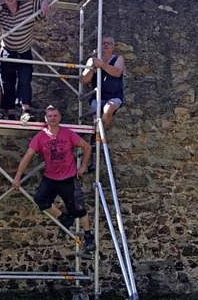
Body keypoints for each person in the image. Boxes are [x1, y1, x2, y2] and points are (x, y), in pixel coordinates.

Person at [12, 105, 95, 254]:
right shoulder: (40, 137)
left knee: (79, 209)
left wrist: (83, 166)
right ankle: (64, 218)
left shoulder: (67, 133)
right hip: (50, 177)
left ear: (60, 117)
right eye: (50, 116)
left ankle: (89, 237)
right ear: (46, 118)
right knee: (40, 199)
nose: (53, 118)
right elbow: (27, 157)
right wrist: (17, 177)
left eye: (55, 115)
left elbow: (87, 146)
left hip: (68, 177)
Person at [0, 0, 51, 122]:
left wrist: (45, 2)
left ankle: (25, 111)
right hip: (7, 51)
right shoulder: (0, 11)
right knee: (7, 82)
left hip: (24, 51)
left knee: (25, 80)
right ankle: (11, 113)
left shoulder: (28, 6)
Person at [80, 35, 125, 172]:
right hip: (97, 96)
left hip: (114, 96)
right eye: (104, 43)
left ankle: (96, 138)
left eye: (109, 43)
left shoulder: (118, 59)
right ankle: (95, 145)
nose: (106, 45)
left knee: (108, 108)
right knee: (96, 119)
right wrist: (91, 66)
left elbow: (117, 72)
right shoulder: (93, 60)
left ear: (113, 46)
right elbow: (84, 80)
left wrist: (102, 65)